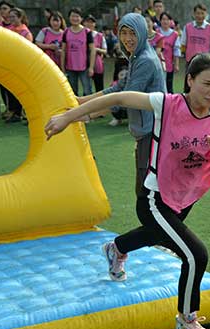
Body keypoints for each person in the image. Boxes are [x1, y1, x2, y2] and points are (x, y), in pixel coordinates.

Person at [45, 53, 210, 329]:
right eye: (206, 84)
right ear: (189, 80)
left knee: (154, 235)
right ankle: (187, 322)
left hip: (184, 199)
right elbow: (118, 97)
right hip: (154, 196)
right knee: (195, 254)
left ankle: (117, 248)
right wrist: (68, 117)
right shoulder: (169, 104)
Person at [79, 13, 166, 196]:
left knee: (146, 193)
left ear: (142, 33)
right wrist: (81, 102)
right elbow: (118, 88)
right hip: (147, 131)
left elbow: (123, 99)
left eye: (132, 33)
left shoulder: (145, 60)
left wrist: (86, 115)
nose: (127, 39)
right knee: (147, 191)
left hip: (152, 131)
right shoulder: (138, 55)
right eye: (123, 33)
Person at [61, 8, 96, 96]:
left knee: (87, 91)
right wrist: (62, 66)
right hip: (70, 67)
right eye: (73, 16)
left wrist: (91, 67)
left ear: (81, 19)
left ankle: (89, 109)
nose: (75, 18)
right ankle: (75, 109)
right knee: (72, 92)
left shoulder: (87, 32)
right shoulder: (66, 32)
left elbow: (93, 50)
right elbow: (63, 50)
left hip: (84, 67)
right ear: (69, 18)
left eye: (77, 16)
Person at [157, 12, 180, 93]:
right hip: (157, 64)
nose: (165, 21)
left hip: (168, 64)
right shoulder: (156, 32)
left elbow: (176, 51)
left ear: (170, 21)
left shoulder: (175, 34)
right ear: (160, 21)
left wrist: (176, 64)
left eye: (167, 19)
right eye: (163, 19)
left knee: (168, 86)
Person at [84, 15, 107, 93]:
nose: (90, 24)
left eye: (92, 22)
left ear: (95, 24)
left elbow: (105, 51)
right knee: (87, 88)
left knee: (99, 87)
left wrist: (96, 49)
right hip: (84, 64)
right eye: (87, 22)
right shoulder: (81, 34)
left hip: (97, 64)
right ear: (84, 23)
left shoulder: (99, 36)